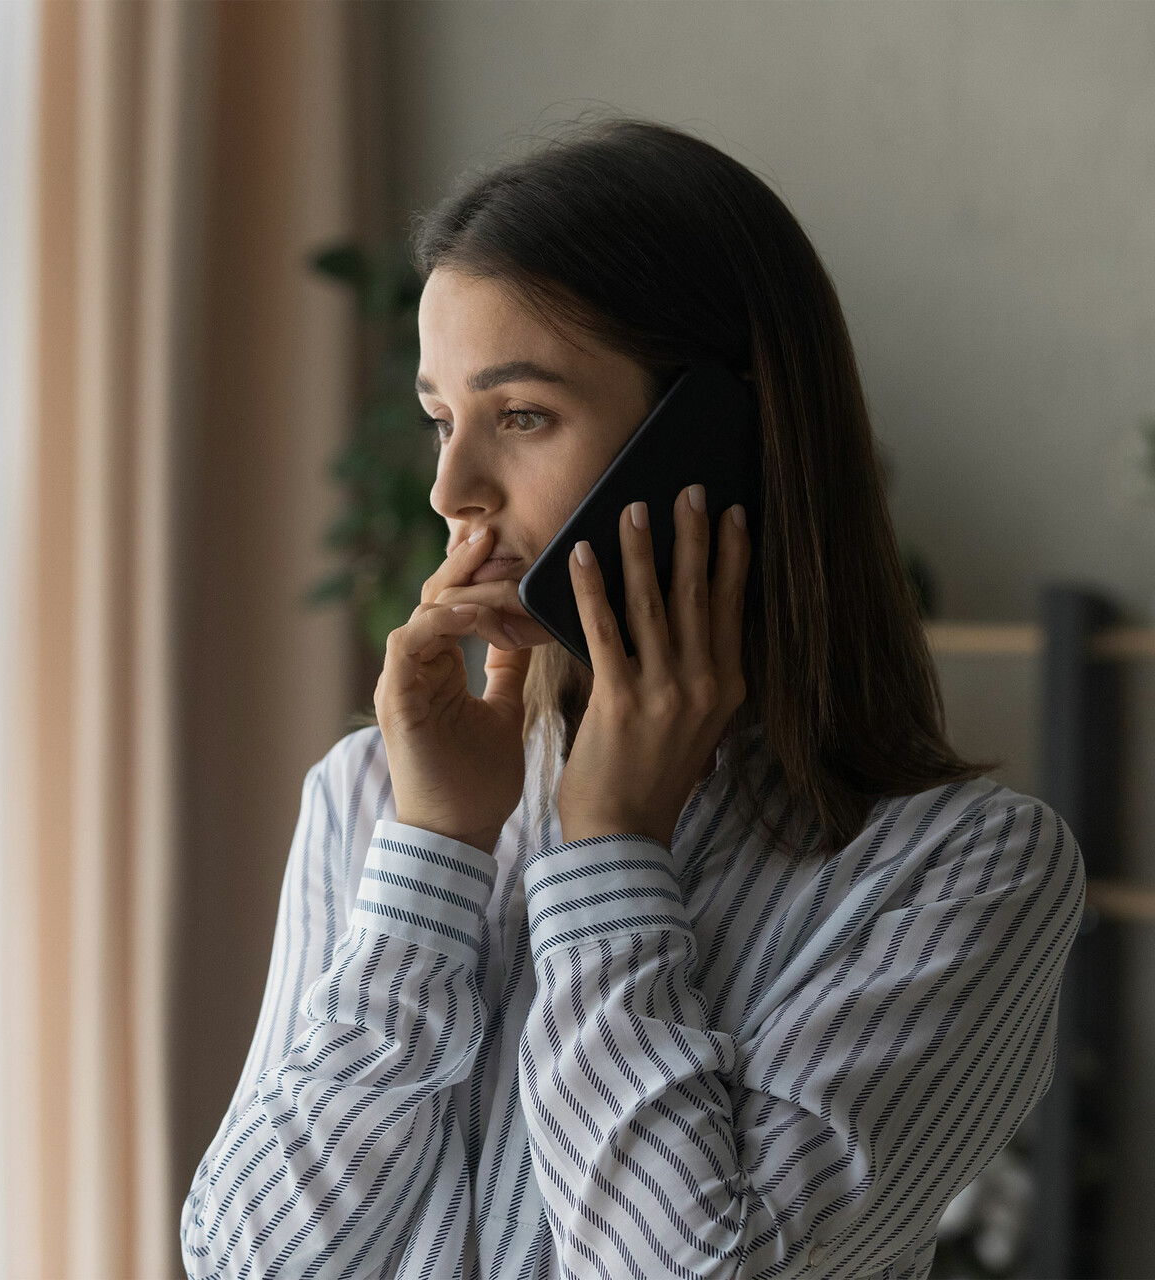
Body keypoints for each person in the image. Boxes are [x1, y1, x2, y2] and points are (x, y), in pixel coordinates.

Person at [180, 117, 1084, 1280]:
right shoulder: (376, 796)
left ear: (712, 442)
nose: (451, 488)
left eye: (521, 416)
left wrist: (608, 852)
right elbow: (251, 1261)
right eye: (440, 419)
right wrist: (431, 856)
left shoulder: (962, 871)